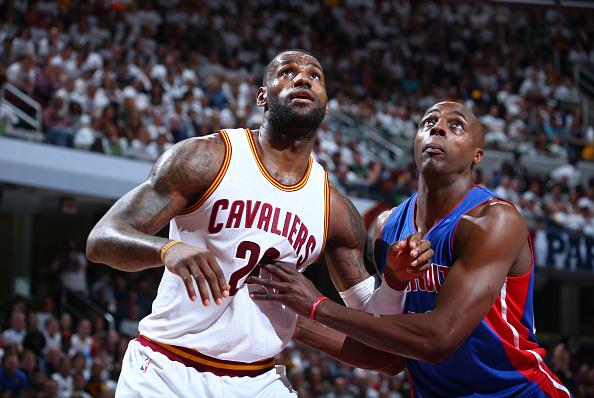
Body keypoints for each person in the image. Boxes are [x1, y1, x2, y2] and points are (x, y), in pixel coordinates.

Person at [86, 49, 433, 397]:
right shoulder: (207, 158)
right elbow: (101, 239)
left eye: (315, 75)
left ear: (325, 107)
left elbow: (381, 345)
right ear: (262, 97)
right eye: (287, 72)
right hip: (166, 369)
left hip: (257, 380)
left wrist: (394, 281)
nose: (302, 78)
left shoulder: (334, 208)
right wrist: (167, 249)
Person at [249, 101, 572, 397]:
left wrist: (316, 305)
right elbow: (385, 355)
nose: (438, 128)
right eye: (428, 122)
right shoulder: (388, 226)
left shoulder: (493, 220)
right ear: (416, 142)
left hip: (517, 391)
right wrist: (288, 320)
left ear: (477, 154)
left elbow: (437, 340)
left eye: (455, 125)